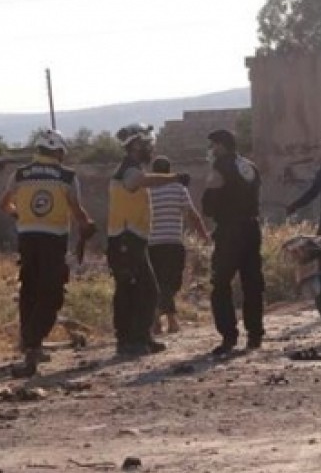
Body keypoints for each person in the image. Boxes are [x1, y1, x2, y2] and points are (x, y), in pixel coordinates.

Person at [0, 129, 95, 377]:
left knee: (29, 289)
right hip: (53, 240)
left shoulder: (19, 174)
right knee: (51, 293)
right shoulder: (67, 176)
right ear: (58, 151)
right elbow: (76, 210)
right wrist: (87, 224)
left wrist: (19, 215)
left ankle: (31, 344)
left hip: (27, 239)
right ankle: (32, 341)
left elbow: (4, 204)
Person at [108, 123, 187, 356]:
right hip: (126, 239)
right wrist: (174, 178)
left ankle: (138, 338)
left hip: (132, 239)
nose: (150, 148)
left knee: (140, 290)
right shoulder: (129, 169)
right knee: (139, 290)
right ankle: (131, 340)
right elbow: (137, 181)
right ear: (136, 145)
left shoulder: (130, 168)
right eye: (147, 143)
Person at [202, 128, 264, 356]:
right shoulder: (250, 166)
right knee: (252, 283)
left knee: (220, 284)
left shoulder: (220, 167)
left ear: (221, 145)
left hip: (230, 231)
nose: (211, 150)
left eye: (213, 145)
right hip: (251, 228)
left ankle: (229, 336)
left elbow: (208, 205)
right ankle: (255, 334)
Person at [147, 156, 210, 336]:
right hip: (172, 242)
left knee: (159, 283)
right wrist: (204, 235)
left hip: (152, 245)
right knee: (172, 283)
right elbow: (192, 214)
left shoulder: (148, 190)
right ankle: (162, 317)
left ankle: (163, 321)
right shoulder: (178, 189)